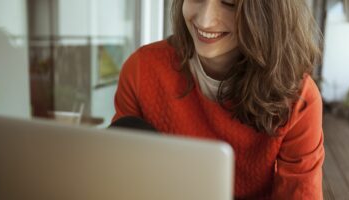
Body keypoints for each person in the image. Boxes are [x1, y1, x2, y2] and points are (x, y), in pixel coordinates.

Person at [112, 0, 325, 199]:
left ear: (266, 12)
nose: (205, 20)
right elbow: (116, 179)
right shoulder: (141, 70)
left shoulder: (298, 100)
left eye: (229, 3)